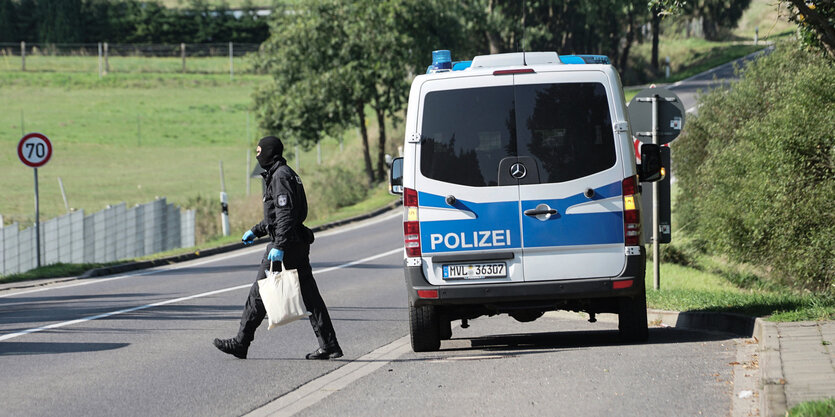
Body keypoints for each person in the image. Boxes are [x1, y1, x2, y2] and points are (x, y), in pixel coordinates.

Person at [213, 136, 342, 360]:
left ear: (269, 152)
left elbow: (285, 215)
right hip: (294, 242)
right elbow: (277, 216)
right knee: (310, 296)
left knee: (259, 292)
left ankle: (241, 342)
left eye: (259, 151)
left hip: (287, 244)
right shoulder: (282, 173)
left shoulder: (280, 176)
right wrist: (256, 230)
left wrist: (279, 245)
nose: (256, 155)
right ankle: (329, 344)